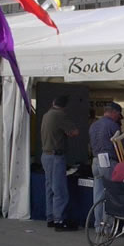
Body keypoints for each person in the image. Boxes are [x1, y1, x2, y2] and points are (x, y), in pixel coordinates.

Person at [40, 95, 79, 231]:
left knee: (50, 188)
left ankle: (50, 217)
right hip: (56, 157)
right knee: (60, 190)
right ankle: (60, 220)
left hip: (45, 155)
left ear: (53, 102)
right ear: (64, 106)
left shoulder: (47, 115)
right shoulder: (60, 115)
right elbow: (74, 132)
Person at [89, 102, 124, 226]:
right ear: (114, 112)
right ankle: (108, 225)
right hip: (108, 160)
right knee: (110, 193)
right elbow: (121, 146)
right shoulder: (113, 126)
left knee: (98, 195)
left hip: (95, 160)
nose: (118, 118)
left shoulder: (93, 125)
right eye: (118, 115)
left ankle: (98, 225)